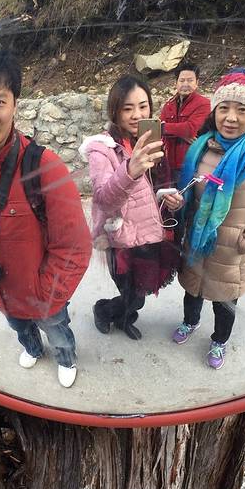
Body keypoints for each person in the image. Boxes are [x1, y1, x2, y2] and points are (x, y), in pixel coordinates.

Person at [0, 43, 92, 388]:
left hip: (43, 298)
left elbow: (75, 247)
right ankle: (32, 348)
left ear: (15, 103)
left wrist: (45, 296)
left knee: (56, 329)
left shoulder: (44, 166)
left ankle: (65, 356)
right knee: (19, 328)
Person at [173, 67, 245, 369]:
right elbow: (188, 191)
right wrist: (178, 205)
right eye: (224, 108)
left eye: (242, 110)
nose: (231, 118)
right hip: (196, 240)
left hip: (233, 250)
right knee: (192, 289)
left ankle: (219, 341)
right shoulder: (201, 146)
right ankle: (190, 322)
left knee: (225, 302)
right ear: (214, 111)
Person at [79, 75, 183, 340]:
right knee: (132, 294)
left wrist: (170, 198)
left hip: (149, 233)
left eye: (143, 106)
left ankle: (123, 319)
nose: (138, 115)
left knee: (140, 292)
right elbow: (103, 198)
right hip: (120, 239)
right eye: (128, 108)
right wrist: (130, 170)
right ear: (115, 111)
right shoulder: (102, 150)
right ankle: (104, 310)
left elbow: (155, 187)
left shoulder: (151, 141)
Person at [159, 63, 211, 182]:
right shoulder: (169, 105)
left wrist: (164, 128)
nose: (185, 84)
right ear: (176, 83)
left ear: (197, 83)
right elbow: (158, 129)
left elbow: (190, 128)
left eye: (190, 80)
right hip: (169, 163)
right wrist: (180, 133)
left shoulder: (204, 104)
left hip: (192, 164)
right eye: (182, 80)